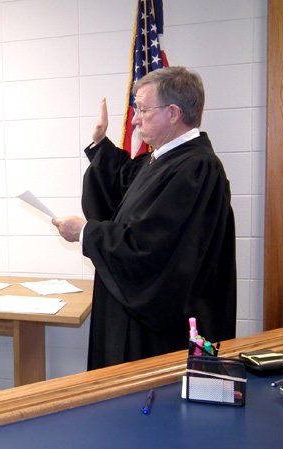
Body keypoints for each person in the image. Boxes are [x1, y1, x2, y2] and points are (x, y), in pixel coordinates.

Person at [52, 66, 236, 370]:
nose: (135, 119)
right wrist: (100, 145)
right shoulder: (166, 159)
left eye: (142, 109)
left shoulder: (196, 170)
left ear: (173, 113)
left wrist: (86, 233)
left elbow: (150, 248)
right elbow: (124, 192)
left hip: (158, 332)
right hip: (134, 322)